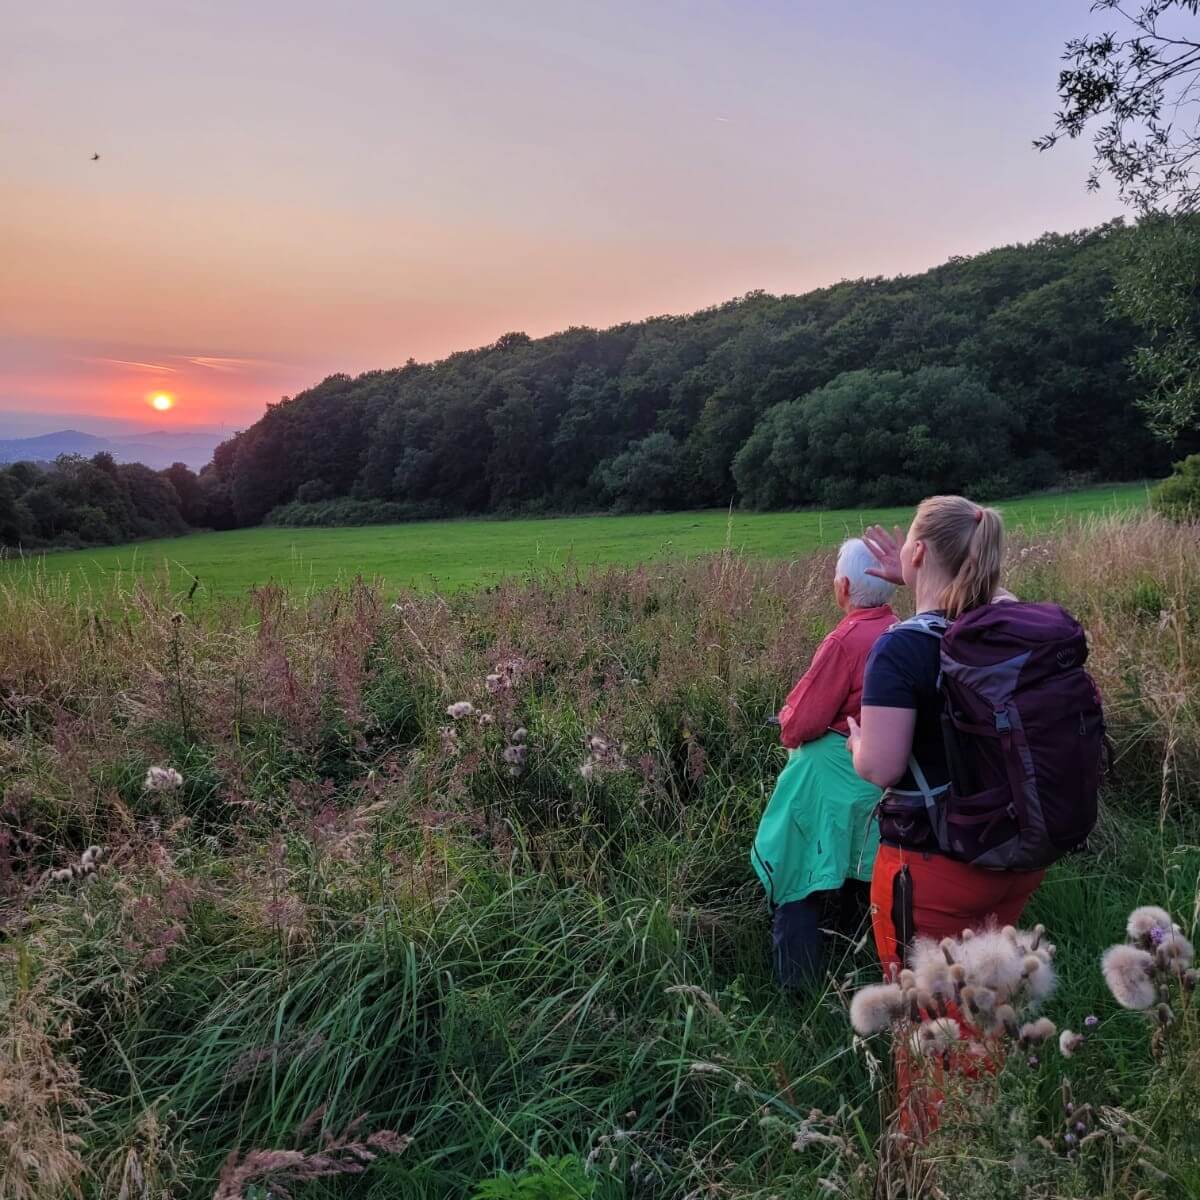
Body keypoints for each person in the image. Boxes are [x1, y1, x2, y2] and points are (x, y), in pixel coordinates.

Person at [847, 496, 1045, 976]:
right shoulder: (1006, 631)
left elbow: (883, 767)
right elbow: (998, 599)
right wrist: (928, 576)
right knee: (987, 996)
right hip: (1015, 852)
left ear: (917, 553)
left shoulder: (900, 647)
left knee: (927, 1008)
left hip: (934, 861)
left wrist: (857, 745)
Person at [752, 538, 896, 987]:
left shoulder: (845, 640)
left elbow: (801, 722)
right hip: (882, 781)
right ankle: (865, 960)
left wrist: (786, 720)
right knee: (863, 873)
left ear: (844, 587)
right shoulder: (898, 629)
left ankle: (797, 983)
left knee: (794, 863)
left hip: (835, 780)